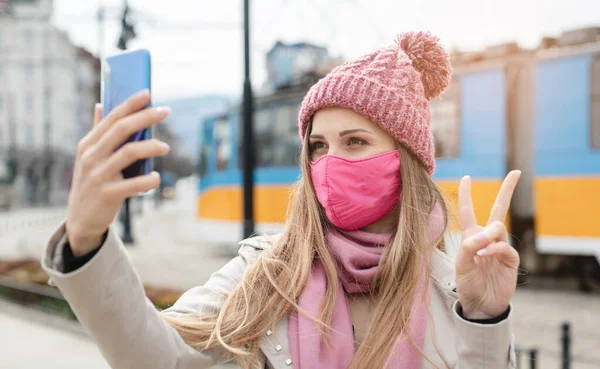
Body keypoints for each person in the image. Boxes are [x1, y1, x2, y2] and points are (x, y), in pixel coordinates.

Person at [42, 31, 521, 369]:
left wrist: (485, 319)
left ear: (407, 160)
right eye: (318, 147)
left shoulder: (453, 291)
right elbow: (154, 356)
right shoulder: (268, 272)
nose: (330, 163)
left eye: (355, 142)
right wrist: (88, 241)